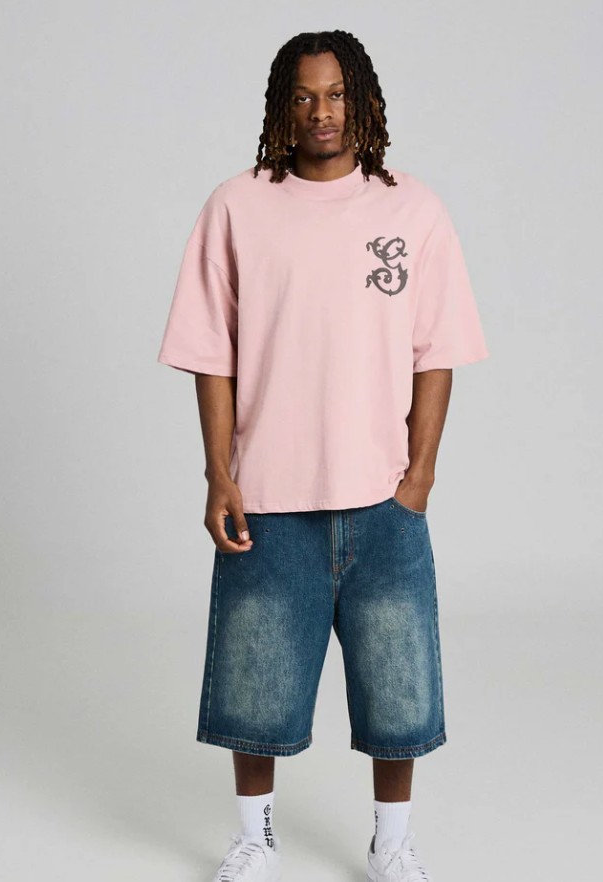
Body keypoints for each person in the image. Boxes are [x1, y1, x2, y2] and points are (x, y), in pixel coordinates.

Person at [157, 29, 488, 882]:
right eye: (303, 95)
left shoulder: (411, 210)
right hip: (267, 498)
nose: (321, 112)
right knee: (254, 686)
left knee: (398, 690)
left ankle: (391, 844)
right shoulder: (237, 206)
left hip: (382, 501)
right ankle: (255, 839)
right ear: (282, 106)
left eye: (336, 93)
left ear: (363, 101)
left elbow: (437, 352)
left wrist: (418, 480)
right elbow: (211, 354)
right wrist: (220, 474)